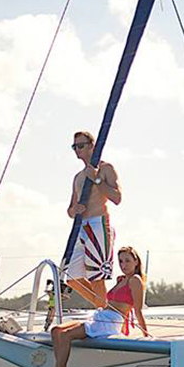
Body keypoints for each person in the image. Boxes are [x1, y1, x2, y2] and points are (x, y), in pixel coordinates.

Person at [36, 247, 148, 367]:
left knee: (66, 335)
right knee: (56, 330)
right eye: (121, 261)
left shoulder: (136, 280)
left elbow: (137, 310)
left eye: (128, 261)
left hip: (109, 321)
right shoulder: (121, 280)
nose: (124, 265)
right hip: (100, 316)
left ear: (136, 261)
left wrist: (146, 334)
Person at [65, 131, 121, 308]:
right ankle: (106, 308)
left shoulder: (106, 168)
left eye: (80, 146)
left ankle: (105, 314)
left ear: (92, 146)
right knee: (72, 278)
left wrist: (96, 180)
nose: (77, 150)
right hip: (81, 227)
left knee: (97, 277)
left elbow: (117, 197)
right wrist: (75, 210)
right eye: (74, 147)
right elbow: (70, 210)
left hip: (99, 223)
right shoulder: (78, 177)